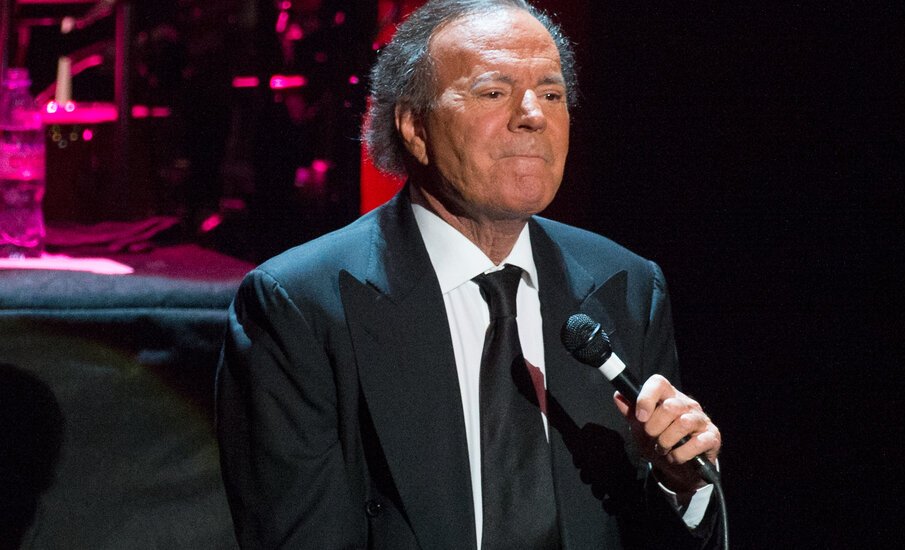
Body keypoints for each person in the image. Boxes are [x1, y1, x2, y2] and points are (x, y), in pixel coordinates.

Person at [215, 1, 723, 548]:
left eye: (552, 95)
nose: (533, 115)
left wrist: (684, 487)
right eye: (494, 92)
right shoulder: (299, 307)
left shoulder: (628, 286)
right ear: (414, 127)